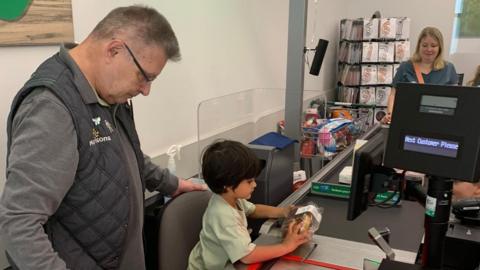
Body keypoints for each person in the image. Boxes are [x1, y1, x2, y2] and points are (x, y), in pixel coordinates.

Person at [0, 5, 205, 270]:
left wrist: (171, 184)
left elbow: (120, 153)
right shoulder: (51, 106)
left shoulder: (104, 91)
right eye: (144, 77)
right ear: (114, 50)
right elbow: (19, 221)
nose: (146, 90)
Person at [188, 140, 311, 270]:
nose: (255, 185)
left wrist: (283, 212)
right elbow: (247, 256)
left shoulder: (230, 198)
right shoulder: (223, 215)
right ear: (228, 185)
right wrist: (286, 246)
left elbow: (254, 210)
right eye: (249, 181)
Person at [383, 26, 458, 123]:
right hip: (409, 120)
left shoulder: (449, 68)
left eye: (433, 45)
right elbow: (394, 94)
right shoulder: (405, 67)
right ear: (419, 46)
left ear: (440, 47)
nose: (429, 49)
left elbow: (455, 99)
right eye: (425, 45)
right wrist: (390, 114)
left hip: (439, 121)